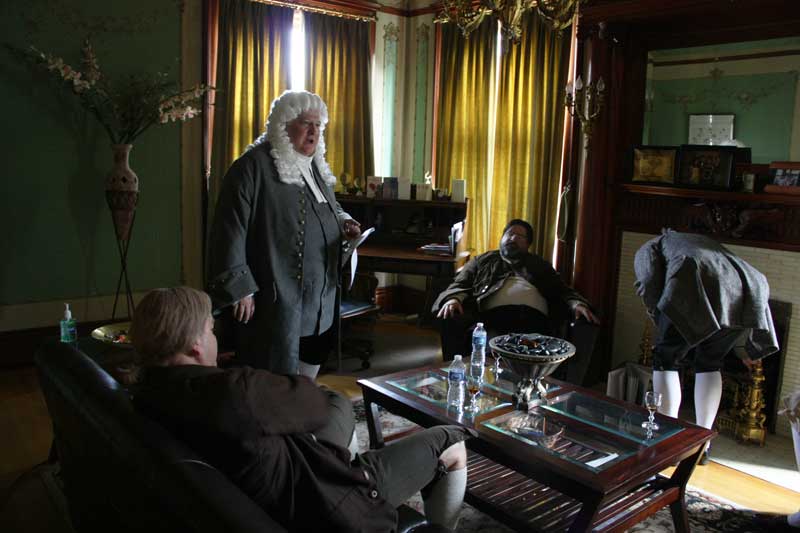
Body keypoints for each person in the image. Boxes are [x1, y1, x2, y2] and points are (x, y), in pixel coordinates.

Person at [130, 287, 473, 532]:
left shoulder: (147, 392)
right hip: (327, 504)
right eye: (210, 329)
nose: (214, 337)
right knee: (451, 440)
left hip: (293, 479)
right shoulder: (235, 392)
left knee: (337, 403)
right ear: (194, 345)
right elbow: (310, 404)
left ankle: (349, 466)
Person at [207, 90, 361, 379]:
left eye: (318, 125)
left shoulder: (315, 166)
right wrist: (241, 290)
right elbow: (229, 230)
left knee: (310, 363)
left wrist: (345, 221)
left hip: (320, 298)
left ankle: (301, 407)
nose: (314, 131)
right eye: (306, 123)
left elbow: (330, 208)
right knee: (274, 375)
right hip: (276, 297)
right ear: (282, 124)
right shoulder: (251, 167)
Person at [634, 229, 778, 463]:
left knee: (666, 358)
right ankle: (703, 445)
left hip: (693, 279)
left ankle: (668, 442)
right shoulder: (697, 242)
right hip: (748, 285)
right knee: (710, 362)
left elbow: (649, 282)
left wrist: (658, 316)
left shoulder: (651, 247)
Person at [433, 219, 598, 362]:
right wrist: (453, 299)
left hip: (535, 321)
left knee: (534, 355)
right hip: (495, 319)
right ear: (502, 237)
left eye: (520, 236)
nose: (513, 238)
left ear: (527, 244)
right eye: (510, 234)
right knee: (494, 355)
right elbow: (460, 283)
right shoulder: (483, 261)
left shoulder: (540, 265)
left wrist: (576, 303)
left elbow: (562, 290)